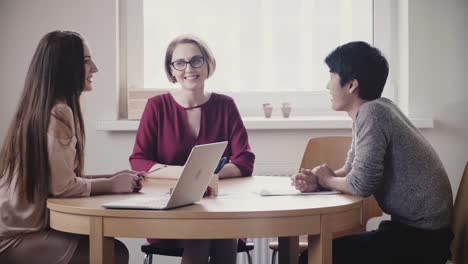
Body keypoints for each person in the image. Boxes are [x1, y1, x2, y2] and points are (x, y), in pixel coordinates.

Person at [291, 41, 453, 264]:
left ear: (351, 85)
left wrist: (327, 179)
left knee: (312, 258)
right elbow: (352, 170)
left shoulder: (373, 114)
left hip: (421, 240)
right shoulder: (376, 110)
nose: (327, 86)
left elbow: (360, 185)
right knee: (315, 255)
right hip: (414, 233)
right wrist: (320, 181)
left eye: (331, 76)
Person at [0, 30, 143, 264]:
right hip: (14, 236)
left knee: (110, 248)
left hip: (14, 227)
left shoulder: (38, 108)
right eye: (86, 61)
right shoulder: (59, 112)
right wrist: (110, 184)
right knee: (114, 254)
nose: (94, 68)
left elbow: (60, 178)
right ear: (65, 67)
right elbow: (62, 187)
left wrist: (113, 177)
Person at [129, 35, 255, 264]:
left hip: (219, 208)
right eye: (180, 63)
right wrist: (188, 175)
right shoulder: (156, 106)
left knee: (221, 229)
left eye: (196, 60)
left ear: (208, 64)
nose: (189, 68)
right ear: (172, 70)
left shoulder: (225, 105)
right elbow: (139, 161)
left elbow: (245, 161)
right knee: (207, 232)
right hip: (169, 209)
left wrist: (206, 177)